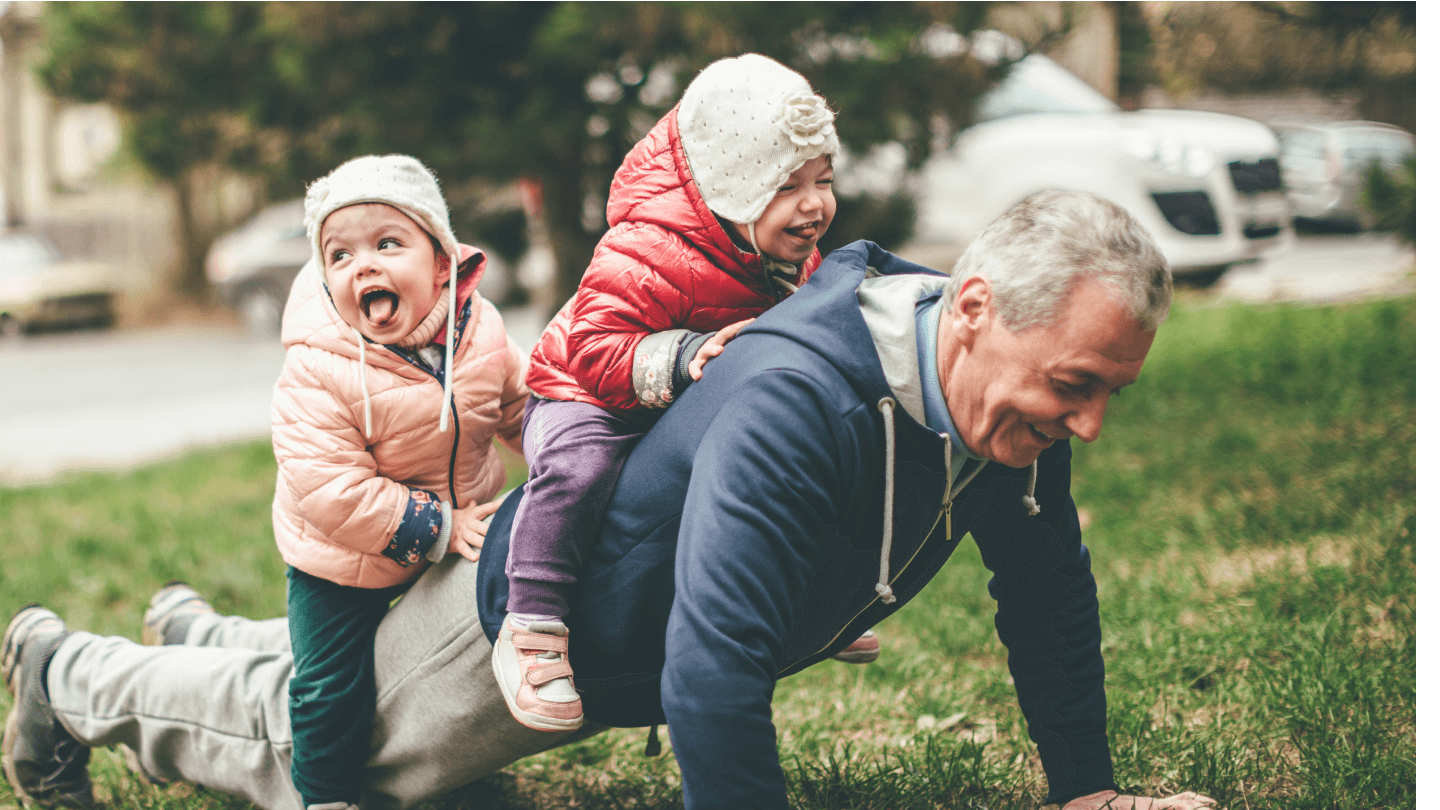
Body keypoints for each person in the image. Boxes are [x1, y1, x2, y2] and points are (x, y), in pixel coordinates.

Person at [3, 191, 1217, 810]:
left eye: (1106, 390)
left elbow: (1047, 584)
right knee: (286, 741)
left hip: (593, 628)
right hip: (517, 636)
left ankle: (206, 629)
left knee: (305, 677)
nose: (1087, 423)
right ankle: (62, 675)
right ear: (972, 308)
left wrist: (1089, 787)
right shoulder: (802, 396)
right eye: (1075, 386)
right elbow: (713, 674)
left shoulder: (1002, 397)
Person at [500, 52, 870, 733]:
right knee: (578, 470)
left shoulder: (781, 253)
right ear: (731, 187)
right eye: (788, 185)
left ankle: (808, 598)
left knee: (785, 456)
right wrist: (684, 356)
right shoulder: (643, 248)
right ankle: (533, 622)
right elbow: (593, 347)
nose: (815, 204)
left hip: (686, 392)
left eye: (823, 178)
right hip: (589, 391)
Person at [270, 154, 528, 809]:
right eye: (340, 254)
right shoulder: (319, 367)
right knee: (329, 683)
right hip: (342, 556)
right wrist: (439, 527)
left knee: (451, 656)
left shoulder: (482, 331)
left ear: (442, 260)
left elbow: (520, 405)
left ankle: (448, 762)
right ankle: (325, 792)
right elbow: (329, 488)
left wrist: (565, 449)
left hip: (453, 526)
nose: (364, 265)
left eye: (388, 243)